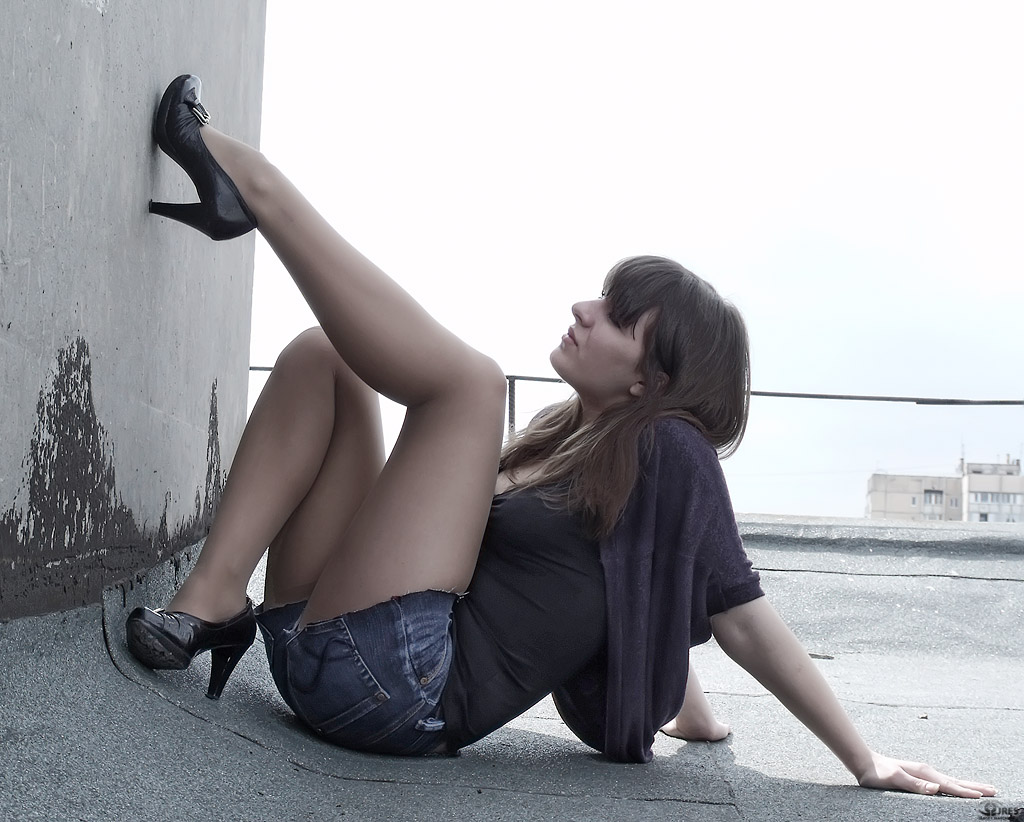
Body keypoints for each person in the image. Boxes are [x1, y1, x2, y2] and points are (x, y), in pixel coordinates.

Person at [127, 74, 995, 798]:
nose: (584, 309)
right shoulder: (564, 439)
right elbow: (651, 588)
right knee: (328, 355)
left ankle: (254, 188)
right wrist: (693, 714)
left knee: (471, 385)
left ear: (652, 383)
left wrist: (863, 759)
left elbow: (739, 615)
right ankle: (215, 600)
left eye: (617, 316)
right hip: (312, 649)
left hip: (398, 695)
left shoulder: (673, 452)